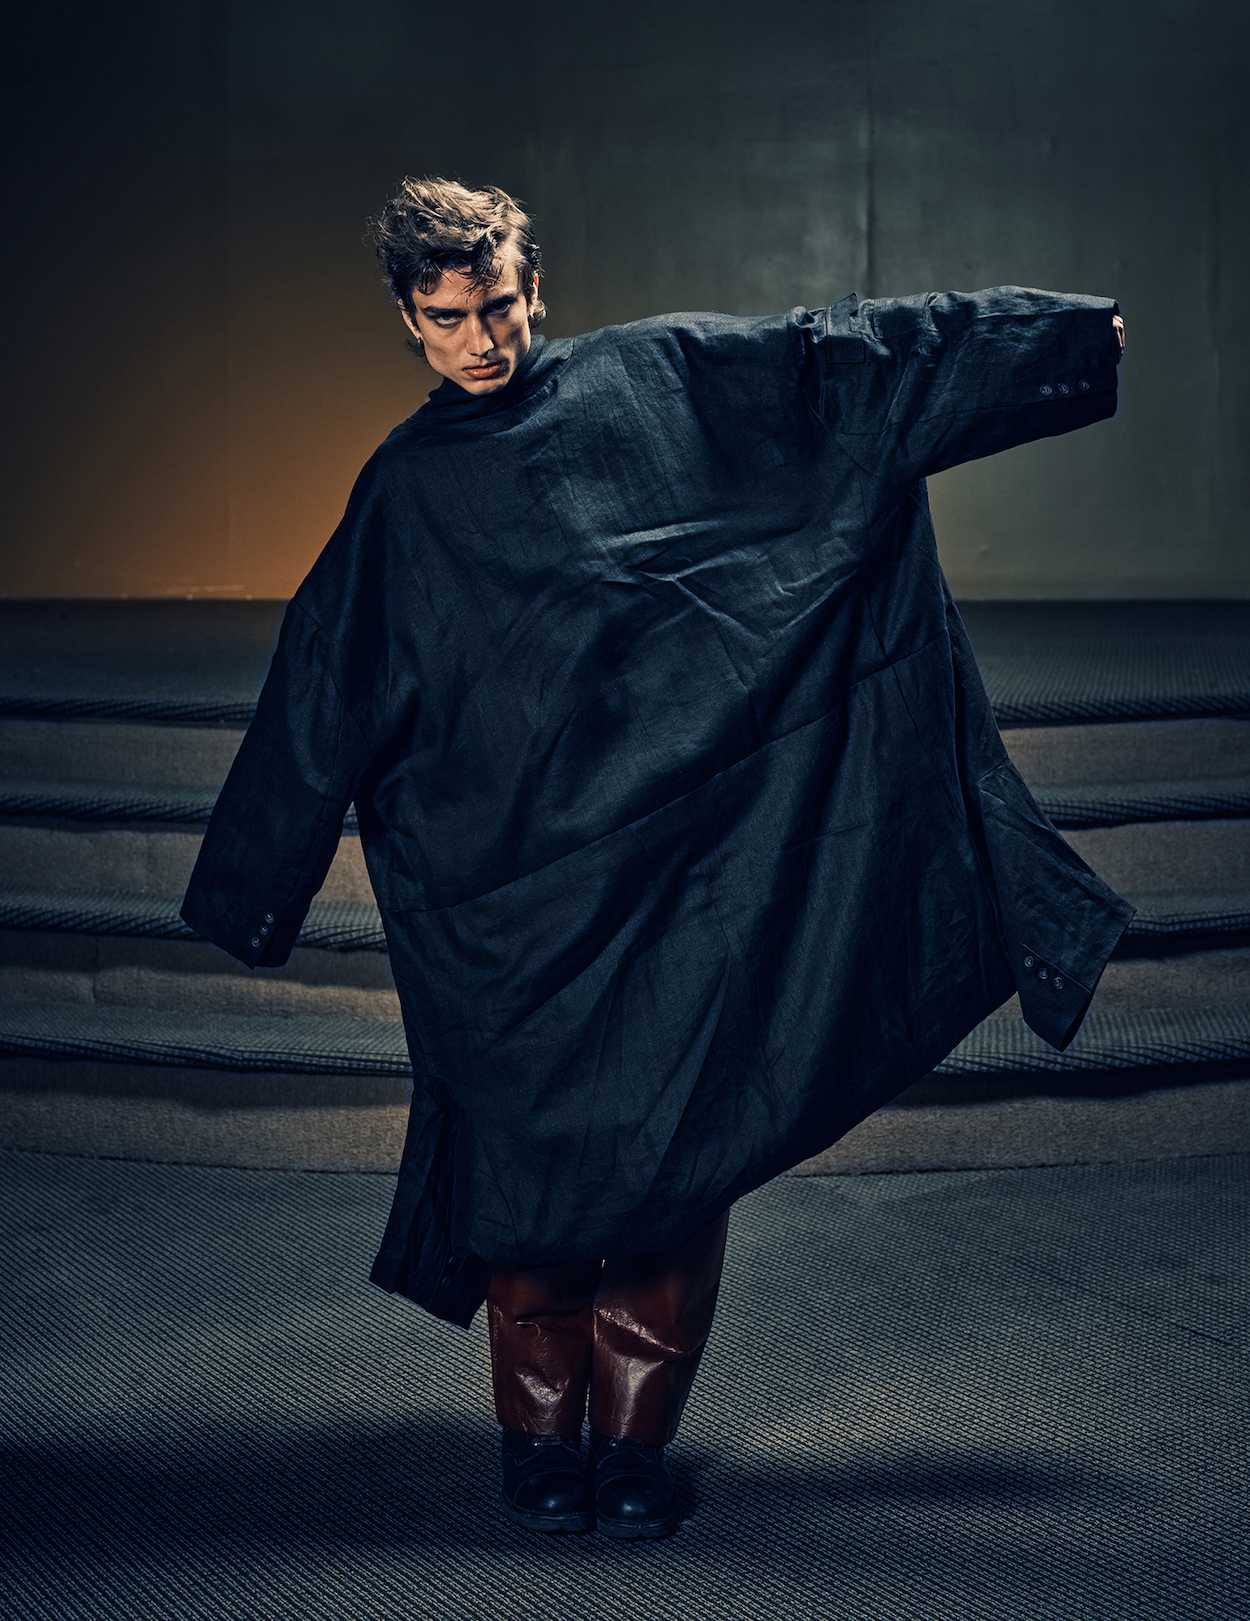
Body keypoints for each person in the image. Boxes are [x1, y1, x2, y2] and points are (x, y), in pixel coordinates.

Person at [181, 177, 1133, 1540]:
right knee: (526, 1180)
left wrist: (1054, 341)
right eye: (448, 318)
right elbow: (324, 676)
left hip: (682, 871)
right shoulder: (403, 491)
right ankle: (537, 1448)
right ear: (408, 320)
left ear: (533, 286)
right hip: (509, 898)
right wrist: (252, 881)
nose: (482, 339)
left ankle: (631, 1451)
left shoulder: (654, 381)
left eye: (498, 304)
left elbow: (839, 367)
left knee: (681, 1150)